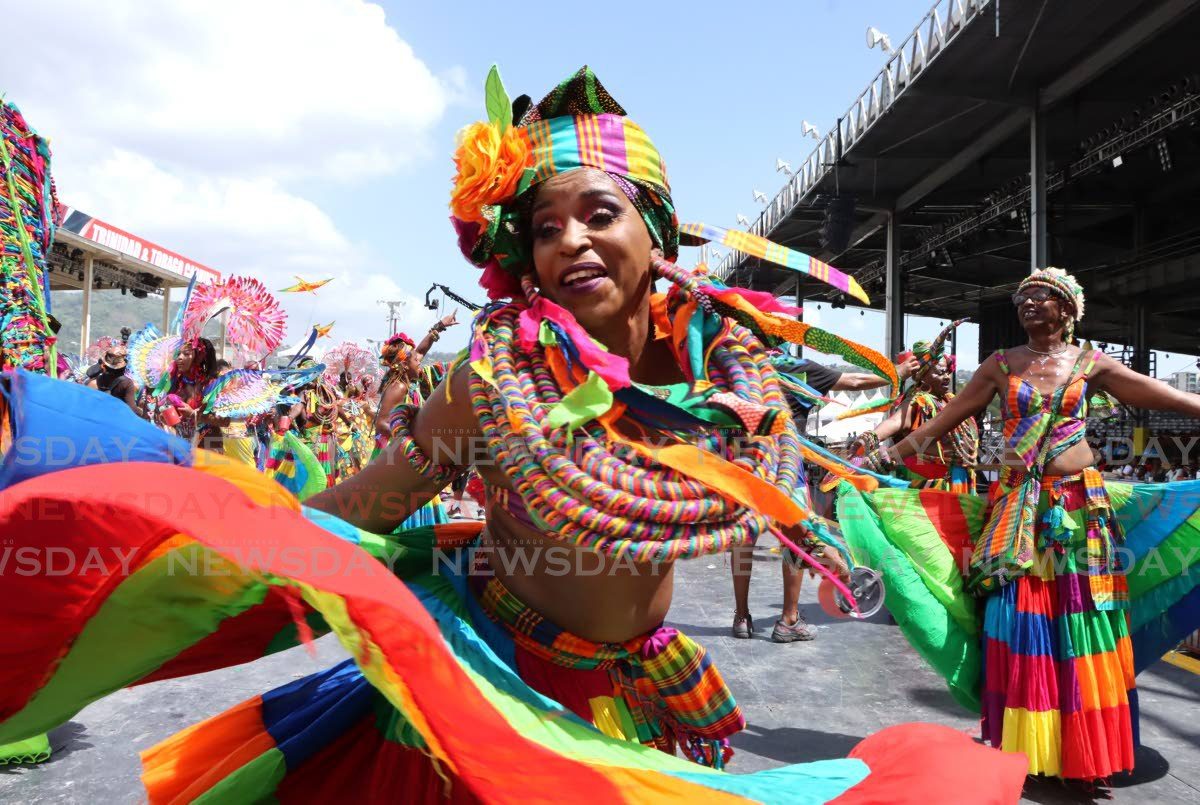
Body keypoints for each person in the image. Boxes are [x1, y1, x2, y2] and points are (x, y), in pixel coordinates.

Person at [0, 67, 1029, 801]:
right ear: (523, 260)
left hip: (632, 688)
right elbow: (358, 510)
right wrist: (226, 514)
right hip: (496, 699)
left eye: (600, 212)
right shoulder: (489, 379)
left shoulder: (735, 376)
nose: (572, 238)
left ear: (658, 231)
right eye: (544, 225)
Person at [851, 266, 1200, 787]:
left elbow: (1161, 395)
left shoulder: (1090, 363)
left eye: (1041, 297)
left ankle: (1083, 751)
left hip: (1080, 510)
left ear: (1068, 310)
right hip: (1017, 511)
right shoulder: (999, 364)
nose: (1028, 304)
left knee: (1082, 619)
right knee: (1024, 620)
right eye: (1022, 299)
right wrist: (884, 458)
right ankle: (1028, 746)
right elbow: (944, 421)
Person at [729, 351, 918, 642]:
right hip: (786, 467)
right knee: (798, 539)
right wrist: (897, 372)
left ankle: (741, 618)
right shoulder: (797, 368)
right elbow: (855, 380)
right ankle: (789, 619)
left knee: (743, 539)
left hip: (744, 466)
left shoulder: (736, 365)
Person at [850, 337, 978, 495]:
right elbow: (896, 421)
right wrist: (870, 437)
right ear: (923, 375)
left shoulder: (951, 401)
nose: (946, 377)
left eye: (947, 372)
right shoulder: (919, 402)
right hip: (931, 485)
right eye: (940, 372)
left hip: (959, 480)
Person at [84, 345, 140, 414]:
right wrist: (141, 412)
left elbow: (86, 407)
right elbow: (131, 411)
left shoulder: (93, 383)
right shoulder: (127, 383)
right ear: (124, 367)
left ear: (104, 366)